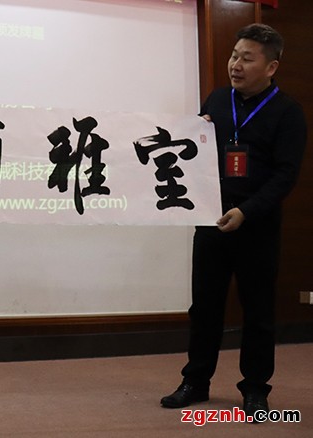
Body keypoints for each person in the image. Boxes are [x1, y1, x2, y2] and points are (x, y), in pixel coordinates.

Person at [160, 23, 307, 420]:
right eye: (234, 56)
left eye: (247, 58)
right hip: (211, 220)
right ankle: (195, 381)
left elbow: (285, 176)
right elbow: (195, 153)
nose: (235, 65)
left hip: (256, 225)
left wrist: (247, 211)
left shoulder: (288, 113)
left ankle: (255, 389)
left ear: (271, 67)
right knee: (204, 307)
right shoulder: (217, 99)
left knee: (257, 311)